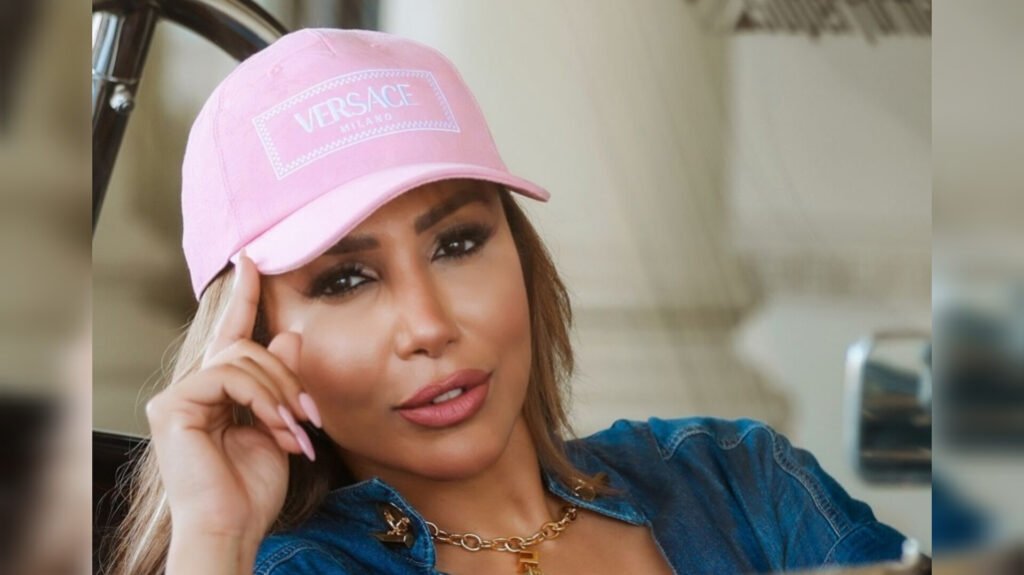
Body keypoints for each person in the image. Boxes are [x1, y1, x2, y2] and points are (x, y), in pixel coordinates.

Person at [108, 28, 909, 575]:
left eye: (457, 243)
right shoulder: (301, 568)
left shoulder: (740, 481)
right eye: (345, 280)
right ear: (255, 337)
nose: (429, 326)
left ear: (521, 255)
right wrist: (214, 542)